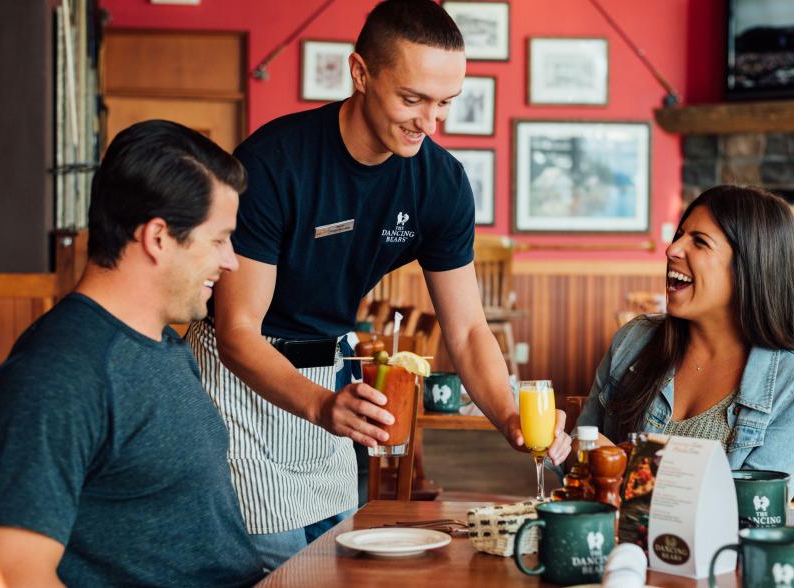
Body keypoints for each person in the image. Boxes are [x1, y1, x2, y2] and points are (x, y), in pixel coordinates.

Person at [185, 0, 569, 569]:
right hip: (243, 383)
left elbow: (465, 331)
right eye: (412, 99)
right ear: (360, 73)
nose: (428, 122)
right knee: (279, 562)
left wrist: (507, 413)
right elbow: (239, 330)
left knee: (336, 559)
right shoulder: (275, 162)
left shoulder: (440, 184)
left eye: (444, 103)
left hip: (330, 379)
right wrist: (321, 406)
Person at [0, 120, 265, 587]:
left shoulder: (161, 343)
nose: (231, 261)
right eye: (219, 239)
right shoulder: (58, 375)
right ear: (158, 237)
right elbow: (2, 576)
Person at [574, 185, 794, 498]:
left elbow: (752, 510)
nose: (672, 250)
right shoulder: (635, 339)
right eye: (680, 235)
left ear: (750, 268)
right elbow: (582, 453)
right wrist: (573, 447)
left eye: (699, 242)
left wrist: (627, 467)